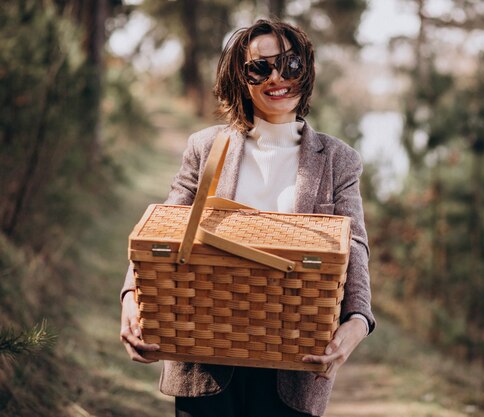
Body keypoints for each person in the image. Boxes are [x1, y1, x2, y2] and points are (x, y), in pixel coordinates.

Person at [119, 19, 375, 417]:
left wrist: (358, 318)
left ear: (305, 71)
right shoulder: (205, 148)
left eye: (289, 65)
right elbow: (163, 228)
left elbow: (353, 243)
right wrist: (132, 298)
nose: (277, 78)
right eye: (260, 67)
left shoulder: (338, 160)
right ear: (240, 78)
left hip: (295, 366)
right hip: (202, 360)